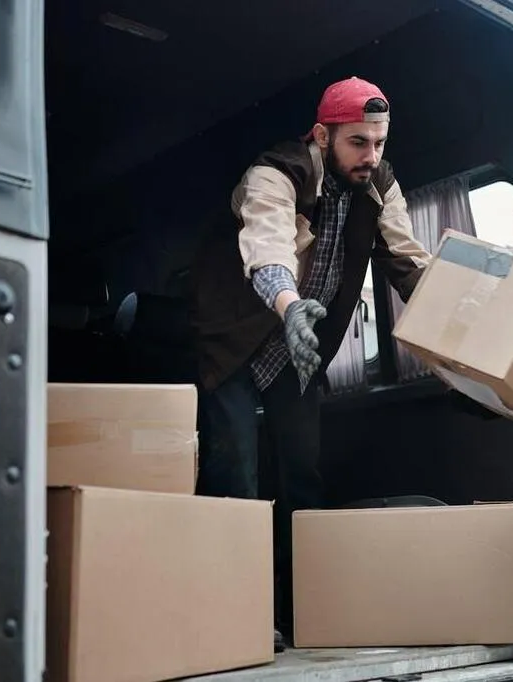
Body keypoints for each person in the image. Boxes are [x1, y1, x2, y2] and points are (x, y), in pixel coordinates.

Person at [187, 76, 432, 648]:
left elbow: (408, 260)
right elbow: (267, 245)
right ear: (323, 136)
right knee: (236, 474)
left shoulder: (380, 184)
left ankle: (305, 611)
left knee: (302, 474)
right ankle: (240, 615)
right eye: (358, 143)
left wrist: (470, 323)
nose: (371, 156)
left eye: (379, 142)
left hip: (298, 354)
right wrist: (290, 306)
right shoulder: (276, 173)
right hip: (238, 339)